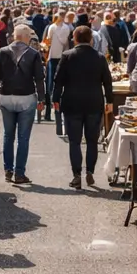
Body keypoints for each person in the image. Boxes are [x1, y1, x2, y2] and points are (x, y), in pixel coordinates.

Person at [51, 25, 114, 189]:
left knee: (74, 141)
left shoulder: (67, 56)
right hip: (94, 103)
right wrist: (110, 101)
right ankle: (90, 171)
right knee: (92, 141)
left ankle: (77, 175)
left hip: (72, 102)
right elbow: (107, 82)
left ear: (75, 39)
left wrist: (55, 99)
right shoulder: (99, 57)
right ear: (91, 39)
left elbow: (58, 80)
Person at [0, 23, 44, 184]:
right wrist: (42, 99)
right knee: (23, 138)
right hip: (26, 96)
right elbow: (39, 78)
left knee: (8, 135)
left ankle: (8, 170)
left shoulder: (3, 51)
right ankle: (19, 173)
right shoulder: (33, 54)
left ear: (14, 36)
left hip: (6, 96)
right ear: (27, 37)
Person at [41, 14, 73, 122]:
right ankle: (59, 112)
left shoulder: (51, 27)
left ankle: (48, 113)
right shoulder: (67, 28)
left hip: (52, 58)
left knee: (50, 86)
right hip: (63, 57)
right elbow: (66, 42)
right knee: (60, 85)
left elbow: (47, 41)